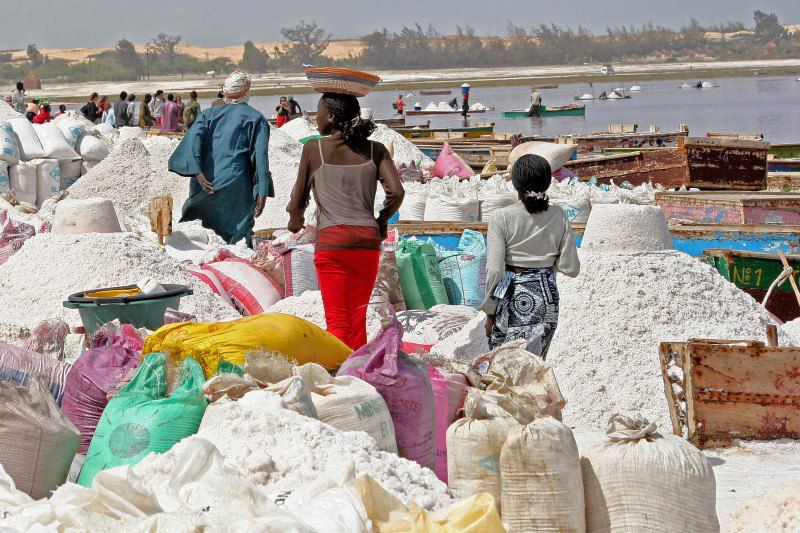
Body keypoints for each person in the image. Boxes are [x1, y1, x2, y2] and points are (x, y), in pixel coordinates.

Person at [287, 92, 404, 350]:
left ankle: (343, 379)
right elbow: (396, 192)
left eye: (317, 111)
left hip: (333, 244)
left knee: (339, 320)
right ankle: (359, 372)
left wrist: (294, 223)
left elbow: (297, 201)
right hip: (367, 243)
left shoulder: (314, 148)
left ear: (330, 116)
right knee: (357, 319)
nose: (314, 116)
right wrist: (381, 222)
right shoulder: (376, 150)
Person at [481, 154, 580, 358]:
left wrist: (490, 312)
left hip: (511, 291)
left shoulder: (501, 217)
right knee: (535, 363)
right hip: (547, 297)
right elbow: (571, 267)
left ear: (515, 184)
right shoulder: (559, 214)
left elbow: (495, 270)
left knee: (505, 364)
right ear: (547, 182)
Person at [168, 71, 272, 246]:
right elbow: (260, 157)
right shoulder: (256, 118)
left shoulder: (208, 114)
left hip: (206, 183)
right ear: (246, 89)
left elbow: (192, 142)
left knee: (201, 229)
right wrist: (262, 189)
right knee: (236, 234)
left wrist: (197, 172)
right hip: (236, 183)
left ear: (225, 91)